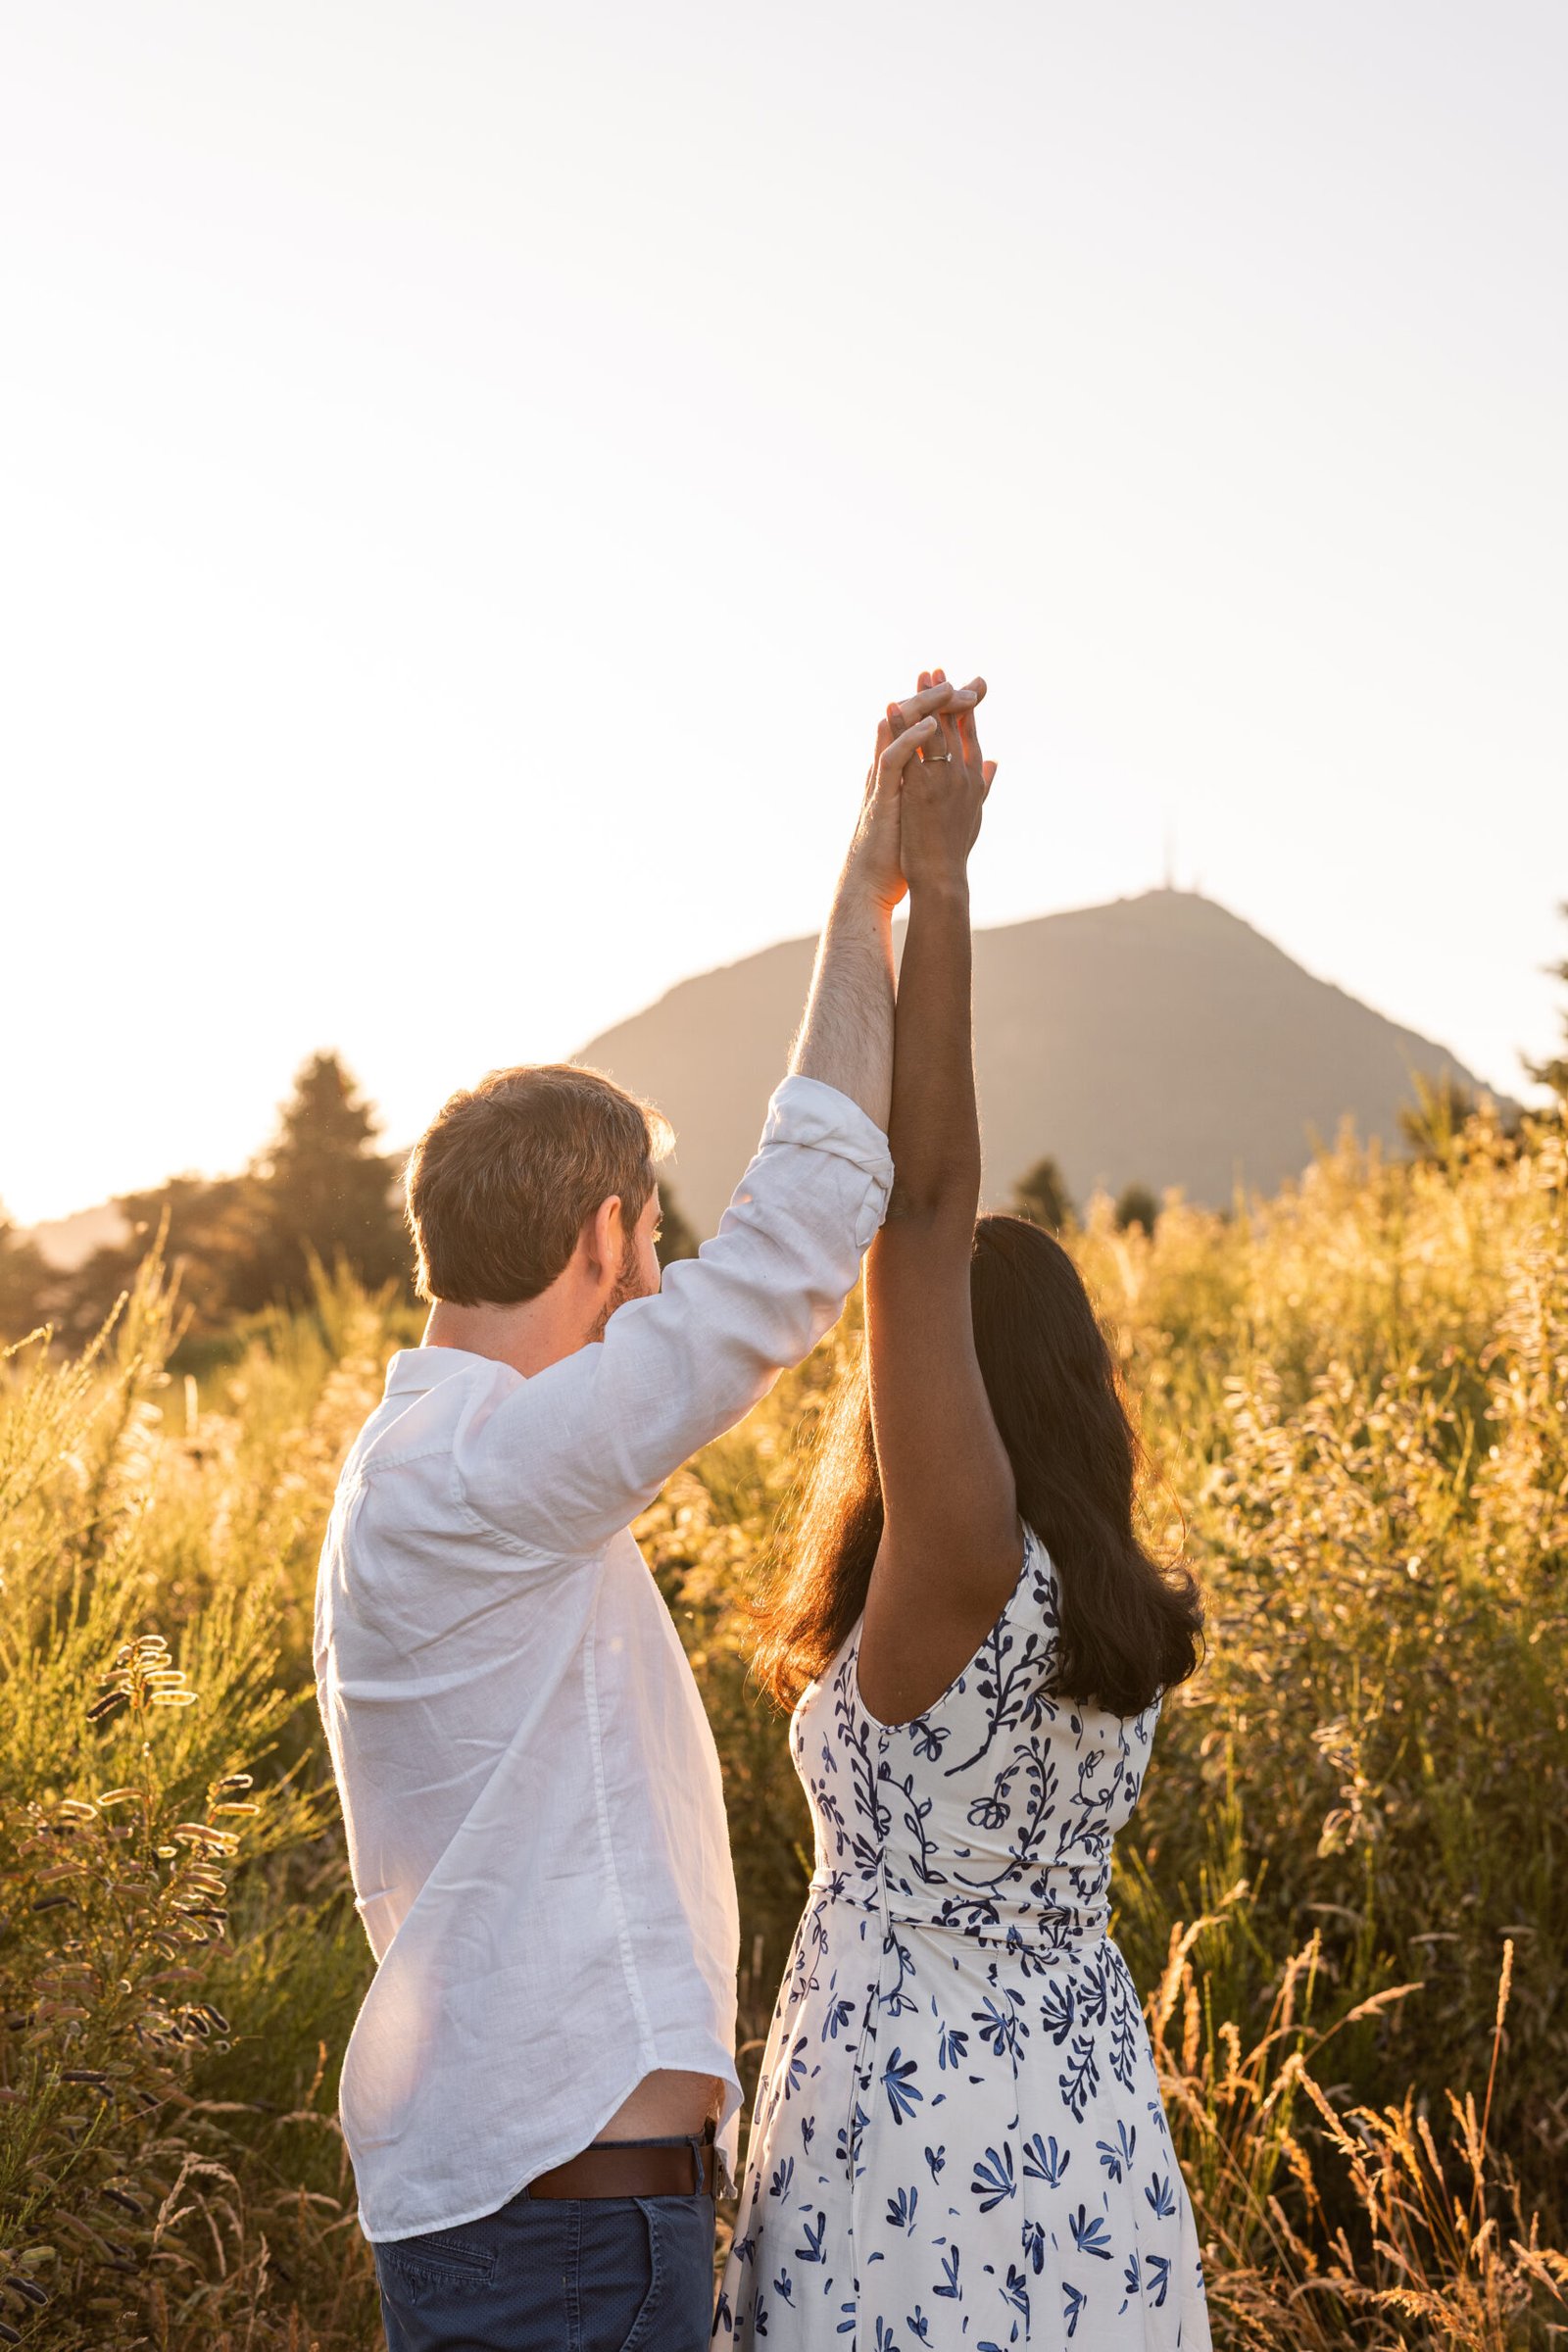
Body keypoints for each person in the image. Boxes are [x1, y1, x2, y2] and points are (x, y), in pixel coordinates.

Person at [312, 670, 985, 2352]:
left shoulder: (448, 1473)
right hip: (567, 2247)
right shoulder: (479, 1480)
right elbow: (804, 1230)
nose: (664, 1279)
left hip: (560, 2224)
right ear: (606, 1236)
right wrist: (869, 884)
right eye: (651, 1248)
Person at [716, 677, 1211, 2350]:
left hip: (910, 2174)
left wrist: (931, 869)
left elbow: (924, 1210)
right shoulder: (1106, 1614)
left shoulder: (962, 1575)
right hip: (1095, 2158)